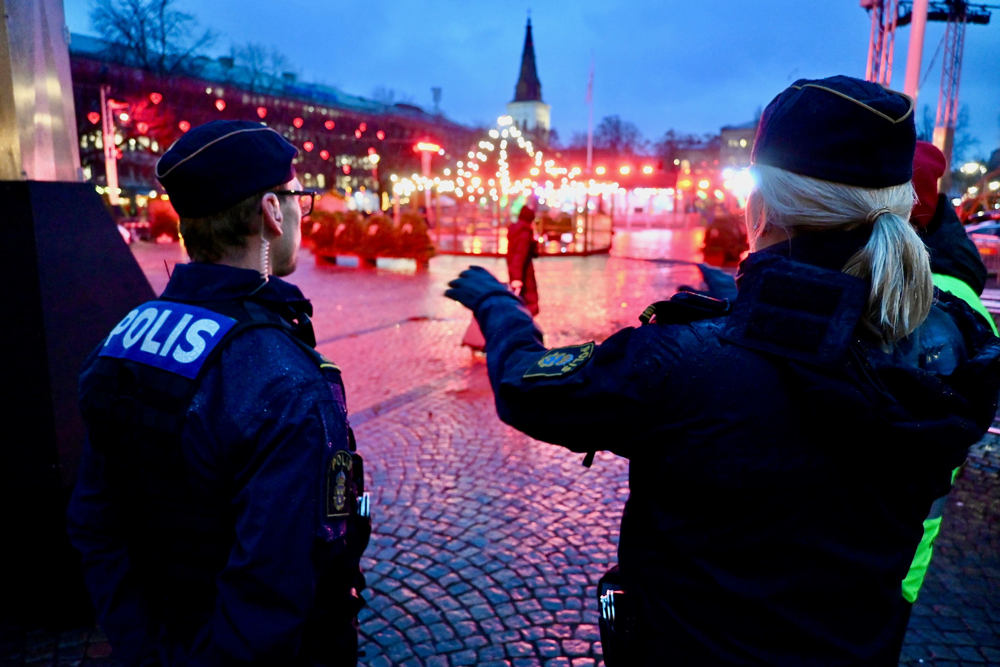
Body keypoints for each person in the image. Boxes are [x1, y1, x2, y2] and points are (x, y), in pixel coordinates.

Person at [445, 76, 1000, 664]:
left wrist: (498, 307)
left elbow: (526, 386)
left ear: (761, 203)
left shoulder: (687, 365)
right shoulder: (951, 345)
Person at [67, 120, 370, 667]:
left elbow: (95, 523)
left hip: (157, 638)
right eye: (298, 196)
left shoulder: (123, 340)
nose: (303, 211)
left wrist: (142, 645)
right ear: (273, 213)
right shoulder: (288, 382)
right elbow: (272, 592)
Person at [506, 204, 540, 315]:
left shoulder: (518, 231)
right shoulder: (524, 233)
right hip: (524, 275)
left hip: (518, 273)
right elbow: (519, 255)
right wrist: (517, 278)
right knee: (528, 304)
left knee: (522, 304)